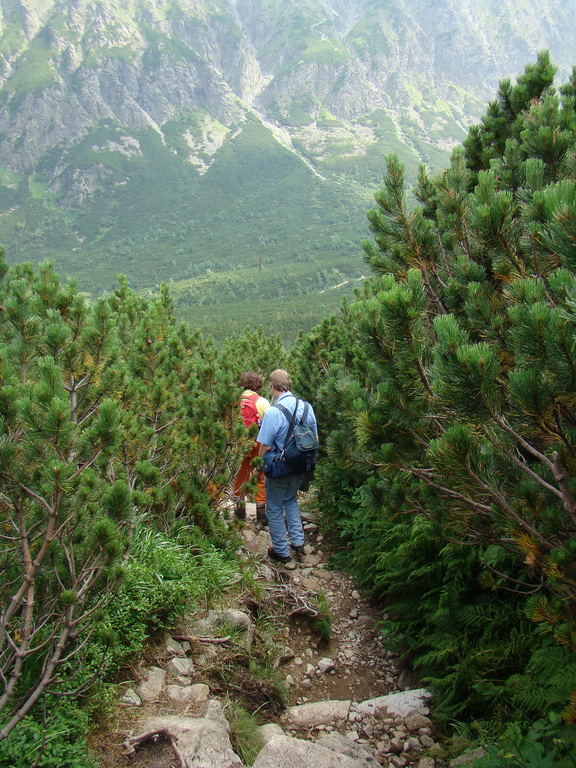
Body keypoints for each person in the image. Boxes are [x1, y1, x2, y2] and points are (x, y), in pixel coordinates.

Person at [256, 369, 318, 565]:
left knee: (274, 508)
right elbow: (315, 438)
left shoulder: (274, 412)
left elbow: (265, 446)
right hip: (302, 465)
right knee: (290, 499)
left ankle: (282, 551)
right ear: (289, 385)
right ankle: (298, 543)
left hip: (280, 468)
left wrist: (258, 467)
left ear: (272, 387)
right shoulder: (306, 407)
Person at [233, 371, 270, 525]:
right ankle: (261, 514)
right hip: (257, 445)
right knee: (260, 477)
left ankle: (239, 511)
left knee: (240, 475)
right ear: (257, 384)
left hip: (239, 444)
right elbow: (269, 424)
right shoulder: (261, 402)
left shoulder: (234, 400)